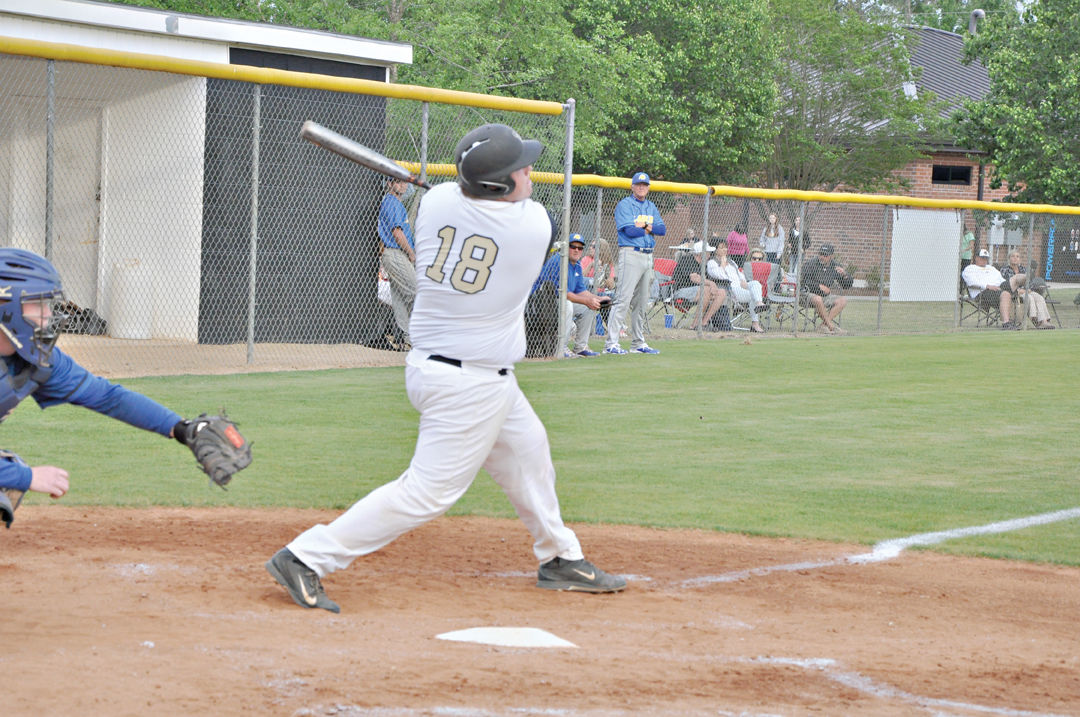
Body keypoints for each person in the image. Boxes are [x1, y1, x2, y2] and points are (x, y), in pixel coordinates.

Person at [265, 123, 626, 613]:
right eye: (520, 167)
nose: (529, 171)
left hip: (457, 371)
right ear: (499, 186)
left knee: (529, 453)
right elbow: (516, 209)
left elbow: (468, 195)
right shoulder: (532, 226)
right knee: (426, 494)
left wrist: (479, 180)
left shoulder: (436, 206)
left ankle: (560, 557)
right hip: (466, 385)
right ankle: (306, 557)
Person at [0, 248, 246, 528]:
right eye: (37, 305)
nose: (49, 315)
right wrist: (27, 477)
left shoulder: (36, 361)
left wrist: (182, 429)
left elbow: (107, 397)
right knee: (10, 475)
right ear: (4, 305)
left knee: (7, 473)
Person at [604, 172, 666, 355]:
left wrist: (643, 226)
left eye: (644, 185)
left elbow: (662, 230)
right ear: (632, 186)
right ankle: (611, 343)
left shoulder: (651, 206)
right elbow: (629, 231)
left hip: (648, 256)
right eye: (638, 184)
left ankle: (638, 343)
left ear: (648, 187)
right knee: (623, 299)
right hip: (631, 254)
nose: (641, 187)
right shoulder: (625, 204)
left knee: (642, 302)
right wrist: (649, 228)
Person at [532, 233, 608, 356]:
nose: (576, 250)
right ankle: (561, 348)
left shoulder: (577, 264)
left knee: (587, 309)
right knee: (567, 305)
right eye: (573, 246)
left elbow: (581, 291)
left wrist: (598, 298)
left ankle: (581, 347)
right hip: (541, 303)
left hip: (558, 301)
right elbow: (563, 293)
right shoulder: (559, 261)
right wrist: (587, 301)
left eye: (580, 248)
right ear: (566, 247)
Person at [377, 177, 417, 346]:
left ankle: (408, 337)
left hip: (393, 253)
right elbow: (397, 232)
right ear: (390, 184)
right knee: (417, 291)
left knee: (400, 298)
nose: (403, 185)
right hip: (395, 252)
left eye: (404, 182)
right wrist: (411, 253)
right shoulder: (392, 202)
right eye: (398, 182)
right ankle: (420, 335)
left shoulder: (395, 203)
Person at [708, 239, 765, 333]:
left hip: (741, 287)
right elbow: (719, 275)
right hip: (730, 290)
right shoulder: (712, 263)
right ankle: (755, 324)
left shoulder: (731, 262)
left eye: (725, 247)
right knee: (754, 296)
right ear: (715, 249)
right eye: (722, 248)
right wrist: (722, 262)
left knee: (756, 283)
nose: (725, 249)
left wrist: (743, 282)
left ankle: (759, 304)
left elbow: (740, 276)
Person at [671, 240, 727, 331]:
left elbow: (704, 280)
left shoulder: (704, 265)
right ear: (700, 253)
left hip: (700, 291)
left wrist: (712, 286)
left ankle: (704, 323)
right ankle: (695, 324)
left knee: (721, 292)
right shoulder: (687, 259)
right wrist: (711, 283)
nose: (709, 255)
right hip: (680, 291)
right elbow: (694, 278)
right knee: (705, 289)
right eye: (707, 253)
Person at [799, 243, 852, 334]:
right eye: (821, 254)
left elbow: (846, 286)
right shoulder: (810, 264)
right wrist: (819, 286)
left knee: (842, 300)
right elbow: (803, 282)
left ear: (831, 256)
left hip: (825, 297)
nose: (822, 257)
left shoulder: (835, 266)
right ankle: (831, 327)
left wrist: (845, 275)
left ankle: (823, 326)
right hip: (807, 295)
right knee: (818, 299)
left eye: (825, 255)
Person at [961, 248, 1018, 330]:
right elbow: (971, 282)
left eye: (986, 258)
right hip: (983, 292)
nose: (984, 260)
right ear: (976, 258)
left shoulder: (991, 268)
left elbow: (1002, 280)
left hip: (998, 289)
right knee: (1006, 294)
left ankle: (1028, 285)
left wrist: (1003, 286)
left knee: (1016, 279)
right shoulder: (970, 269)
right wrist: (987, 286)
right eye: (982, 258)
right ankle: (1006, 323)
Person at [1000, 249, 1055, 329]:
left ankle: (1044, 321)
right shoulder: (1005, 270)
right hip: (1014, 293)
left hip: (1026, 291)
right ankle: (1036, 320)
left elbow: (1029, 283)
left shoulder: (1023, 269)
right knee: (1030, 298)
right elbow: (1006, 284)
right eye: (1013, 256)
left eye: (1017, 256)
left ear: (1020, 259)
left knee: (1039, 298)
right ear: (1009, 258)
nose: (1015, 258)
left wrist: (1028, 289)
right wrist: (1018, 290)